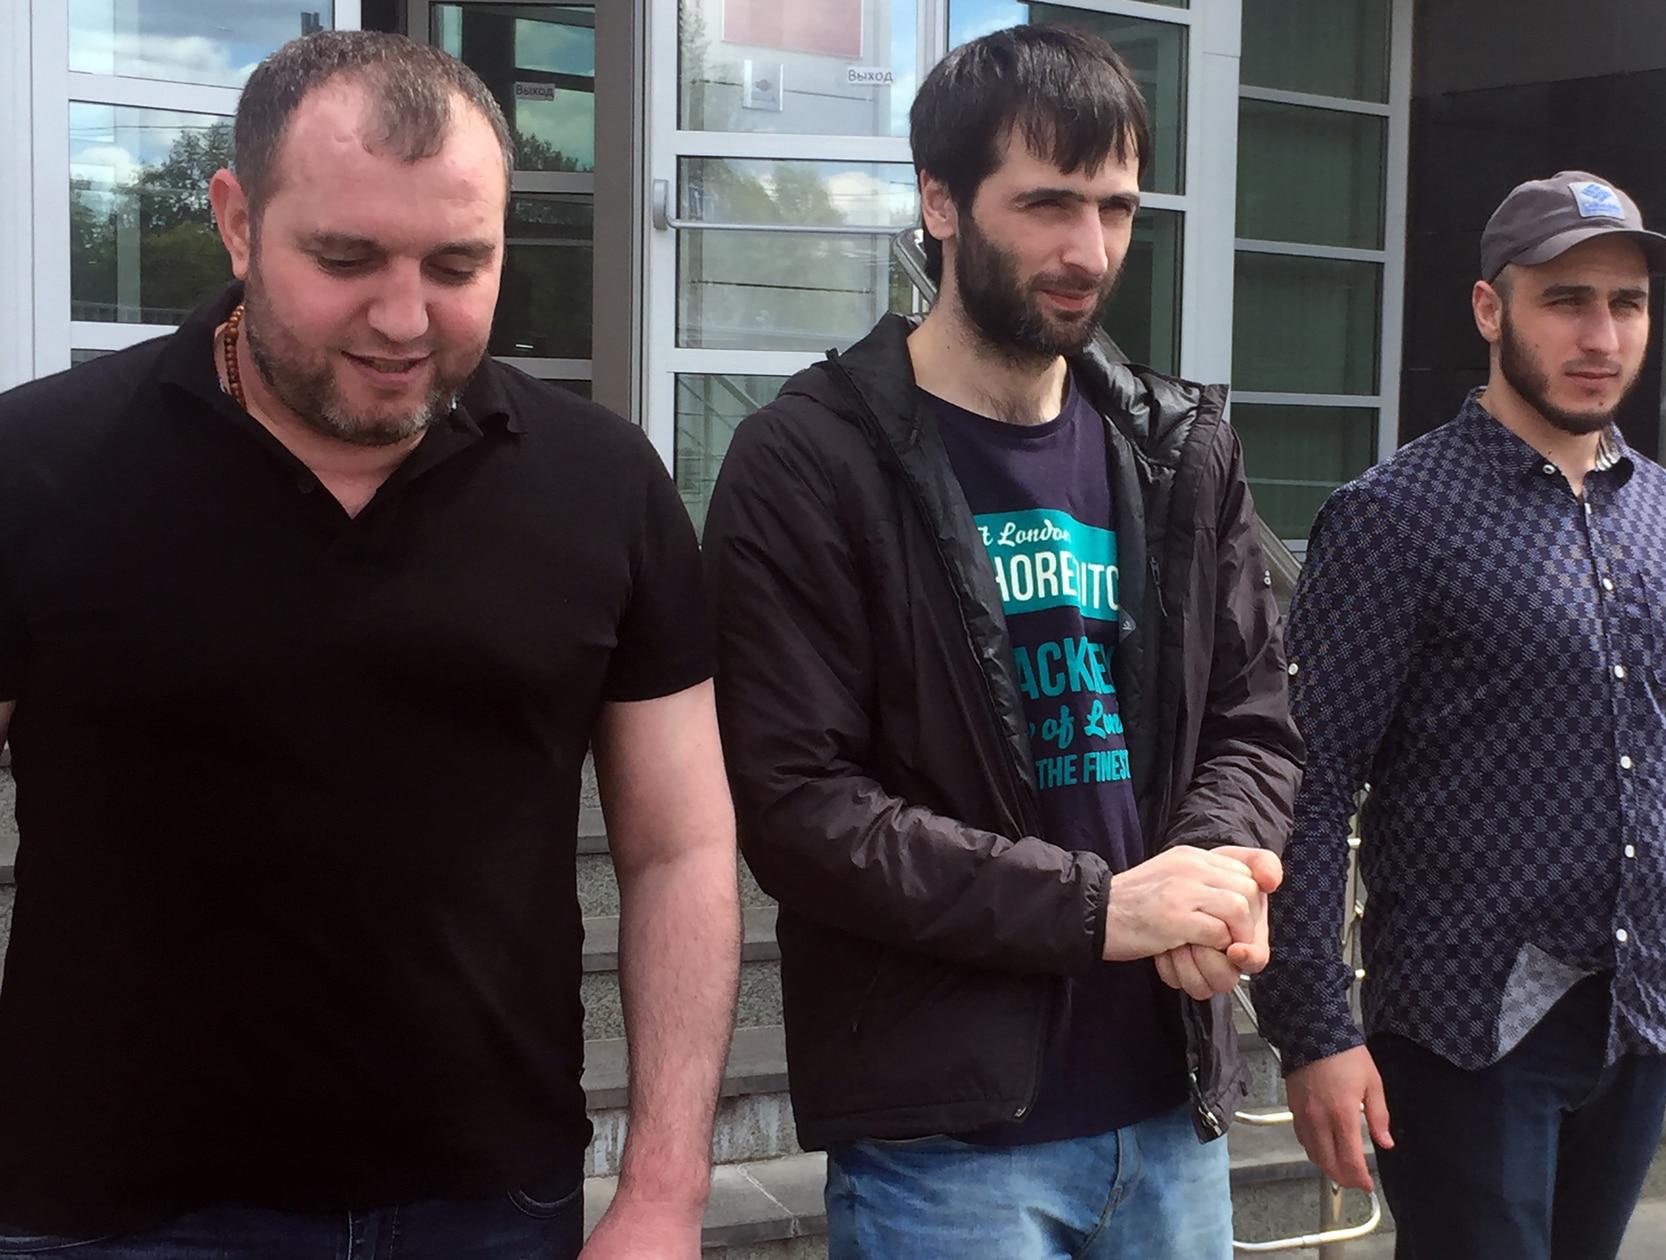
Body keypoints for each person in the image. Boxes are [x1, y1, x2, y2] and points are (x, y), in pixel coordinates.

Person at [0, 32, 738, 1259]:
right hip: (110, 1215)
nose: (404, 319)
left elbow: (680, 848)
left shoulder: (604, 486)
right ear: (238, 222)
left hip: (490, 1207)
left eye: (459, 263)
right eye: (346, 259)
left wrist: (665, 1189)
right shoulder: (41, 469)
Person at [702, 24, 1301, 1260]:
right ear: (939, 202)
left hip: (1170, 1112)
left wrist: (1210, 869)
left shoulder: (1182, 452)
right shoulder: (808, 461)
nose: (1089, 251)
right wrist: (1097, 910)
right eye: (1046, 205)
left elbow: (1253, 723)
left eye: (1116, 207)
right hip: (948, 1148)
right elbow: (802, 809)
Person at [1251, 171, 1666, 1259]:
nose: (1601, 336)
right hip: (1466, 1027)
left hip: (1638, 1013)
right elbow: (1306, 788)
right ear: (1489, 308)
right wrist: (1313, 1027)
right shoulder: (1393, 518)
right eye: (1565, 301)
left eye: (1627, 303)